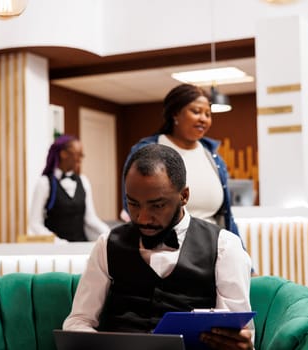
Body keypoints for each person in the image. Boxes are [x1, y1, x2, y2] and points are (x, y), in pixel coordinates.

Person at [63, 144, 254, 349]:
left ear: (184, 196)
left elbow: (239, 332)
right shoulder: (107, 244)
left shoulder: (225, 247)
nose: (143, 218)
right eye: (133, 204)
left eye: (157, 205)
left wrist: (241, 342)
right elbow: (78, 321)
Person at [122, 83, 240, 237]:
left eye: (208, 114)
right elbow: (130, 202)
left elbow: (226, 216)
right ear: (175, 114)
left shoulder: (213, 156)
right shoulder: (146, 151)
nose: (203, 119)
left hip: (212, 248)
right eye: (196, 112)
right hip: (164, 248)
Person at [28, 134, 109, 242]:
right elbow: (35, 223)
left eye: (82, 155)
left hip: (81, 245)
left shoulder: (84, 181)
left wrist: (110, 233)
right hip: (56, 250)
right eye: (78, 154)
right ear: (63, 154)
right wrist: (56, 241)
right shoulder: (44, 183)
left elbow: (90, 218)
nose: (80, 159)